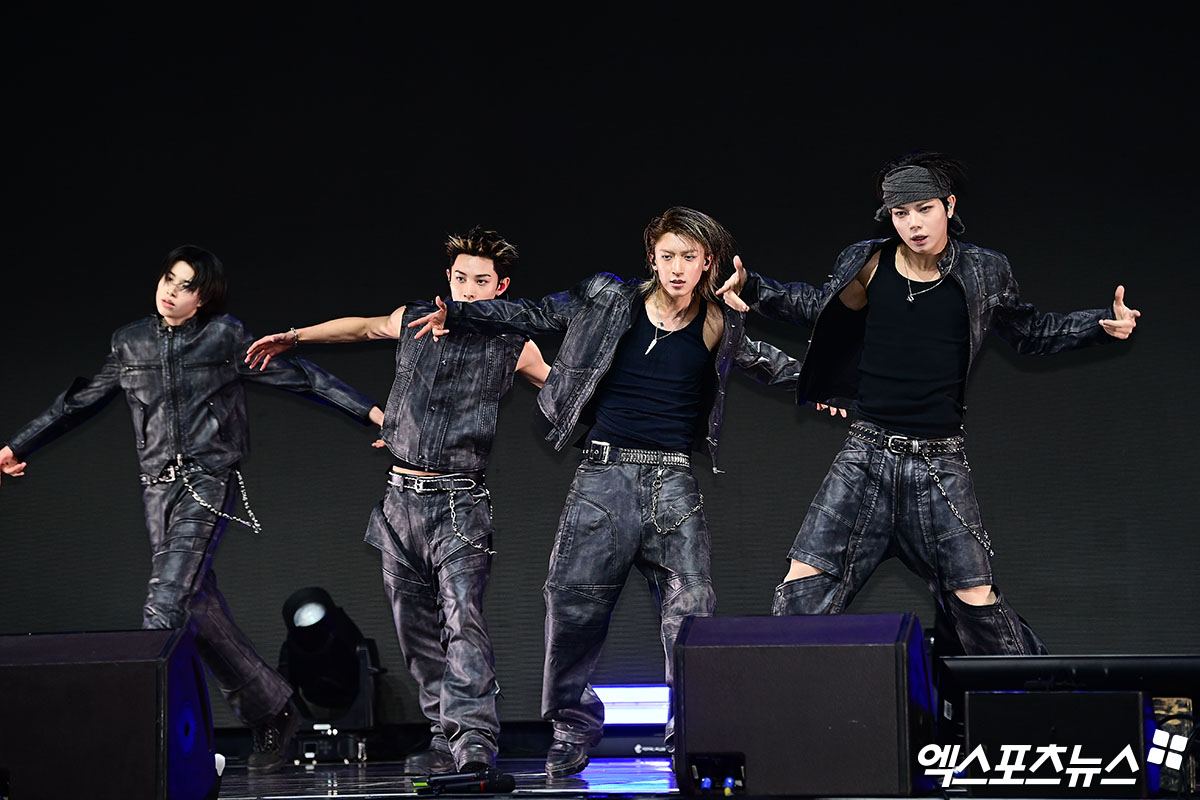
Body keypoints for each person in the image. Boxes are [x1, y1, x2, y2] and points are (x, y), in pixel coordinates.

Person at [409, 207, 801, 778]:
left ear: (708, 262)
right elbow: (539, 312)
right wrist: (466, 313)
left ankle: (690, 732)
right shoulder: (609, 298)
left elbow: (768, 362)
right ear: (652, 258)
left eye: (689, 257)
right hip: (603, 477)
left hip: (673, 485)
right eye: (667, 256)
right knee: (572, 608)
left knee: (691, 611)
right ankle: (573, 725)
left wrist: (831, 386)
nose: (676, 267)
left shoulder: (719, 321)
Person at [717, 151, 1140, 655]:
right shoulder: (867, 262)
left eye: (924, 209)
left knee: (975, 601)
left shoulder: (985, 270)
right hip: (866, 455)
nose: (914, 224)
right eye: (901, 213)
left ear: (949, 206)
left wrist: (1099, 326)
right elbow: (816, 307)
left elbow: (1029, 331)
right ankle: (786, 701)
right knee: (803, 585)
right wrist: (753, 287)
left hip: (940, 464)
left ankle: (1036, 692)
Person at [0, 245, 383, 775]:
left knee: (164, 606)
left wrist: (372, 413)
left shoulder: (223, 337)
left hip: (207, 480)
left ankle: (139, 740)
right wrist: (17, 445)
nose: (170, 292)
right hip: (156, 490)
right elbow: (79, 401)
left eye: (184, 287)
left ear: (203, 298)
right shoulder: (130, 341)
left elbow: (303, 377)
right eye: (167, 279)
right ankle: (273, 708)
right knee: (197, 608)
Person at [245, 227, 549, 774]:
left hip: (459, 505)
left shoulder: (513, 344)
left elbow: (562, 391)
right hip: (400, 502)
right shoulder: (414, 319)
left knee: (462, 620)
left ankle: (474, 741)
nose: (469, 290)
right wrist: (294, 336)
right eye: (461, 278)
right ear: (448, 278)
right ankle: (442, 734)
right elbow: (362, 327)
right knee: (415, 631)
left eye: (482, 282)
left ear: (501, 287)